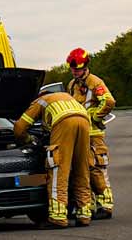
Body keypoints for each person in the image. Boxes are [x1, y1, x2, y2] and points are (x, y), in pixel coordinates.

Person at [14, 86, 94, 227]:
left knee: (58, 171)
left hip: (63, 123)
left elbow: (19, 127)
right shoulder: (66, 97)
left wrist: (27, 140)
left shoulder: (41, 101)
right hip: (85, 121)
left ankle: (58, 217)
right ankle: (84, 214)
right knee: (82, 169)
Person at [60, 49, 117, 217]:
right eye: (72, 69)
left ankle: (105, 205)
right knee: (80, 170)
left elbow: (109, 101)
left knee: (97, 169)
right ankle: (88, 205)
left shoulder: (95, 82)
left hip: (93, 134)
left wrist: (94, 115)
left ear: (85, 66)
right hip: (79, 135)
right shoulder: (72, 85)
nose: (74, 71)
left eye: (77, 68)